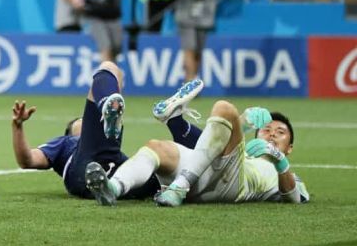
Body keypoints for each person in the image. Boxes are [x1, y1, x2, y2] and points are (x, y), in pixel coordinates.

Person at [12, 65, 208, 200]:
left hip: (123, 179)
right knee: (111, 69)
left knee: (189, 162)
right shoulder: (65, 145)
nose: (85, 121)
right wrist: (18, 127)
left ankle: (176, 122)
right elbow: (27, 160)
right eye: (82, 121)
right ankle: (107, 102)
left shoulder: (115, 152)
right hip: (85, 171)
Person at [86, 89, 310, 207]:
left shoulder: (284, 173)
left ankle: (176, 125)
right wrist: (244, 122)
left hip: (234, 184)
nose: (272, 134)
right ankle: (112, 188)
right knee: (157, 147)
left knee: (224, 108)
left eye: (280, 132)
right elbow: (219, 140)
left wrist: (278, 159)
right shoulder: (247, 154)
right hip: (202, 173)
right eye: (267, 130)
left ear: (289, 147)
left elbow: (294, 200)